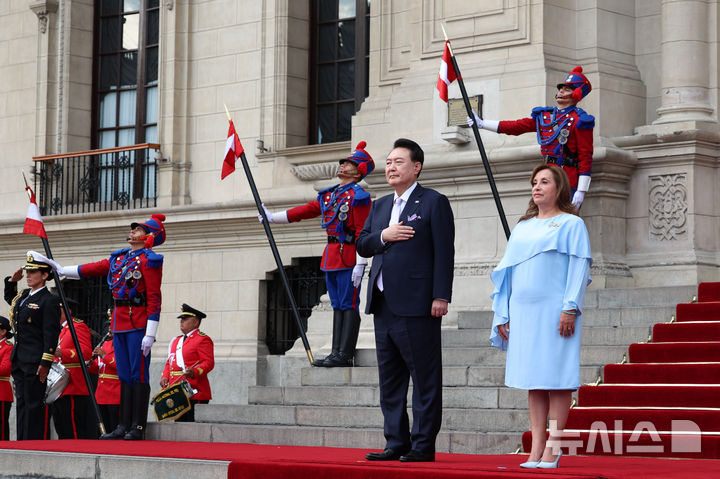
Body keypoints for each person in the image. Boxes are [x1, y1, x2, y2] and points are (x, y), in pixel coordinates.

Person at [357, 138, 455, 463]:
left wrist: (441, 295)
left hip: (418, 303)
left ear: (416, 167)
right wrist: (384, 236)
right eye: (388, 162)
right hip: (383, 304)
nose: (391, 167)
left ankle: (422, 444)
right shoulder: (381, 205)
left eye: (398, 162)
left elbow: (444, 252)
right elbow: (363, 244)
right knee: (390, 379)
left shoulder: (433, 202)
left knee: (424, 378)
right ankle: (395, 441)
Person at [489, 164, 592, 469]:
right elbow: (507, 272)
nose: (537, 187)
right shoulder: (523, 227)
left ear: (558, 187)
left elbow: (579, 267)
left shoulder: (572, 224)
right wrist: (503, 313)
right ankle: (535, 448)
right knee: (535, 381)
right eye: (534, 182)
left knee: (556, 379)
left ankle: (555, 448)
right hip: (524, 312)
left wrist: (570, 307)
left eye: (544, 182)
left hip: (555, 311)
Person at [260, 142, 374, 367]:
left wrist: (361, 264)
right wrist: (273, 217)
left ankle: (344, 353)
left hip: (349, 255)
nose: (343, 165)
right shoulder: (331, 196)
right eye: (344, 162)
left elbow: (363, 232)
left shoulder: (359, 197)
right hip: (332, 255)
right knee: (337, 304)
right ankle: (335, 352)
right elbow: (306, 210)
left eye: (349, 163)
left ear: (358, 170)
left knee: (348, 304)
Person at [55, 214, 165, 440]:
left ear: (149, 236)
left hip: (138, 323)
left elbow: (154, 297)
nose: (133, 231)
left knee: (138, 374)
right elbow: (95, 267)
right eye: (133, 229)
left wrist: (151, 333)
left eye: (138, 230)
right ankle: (122, 425)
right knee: (124, 374)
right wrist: (63, 270)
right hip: (120, 322)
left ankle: (138, 426)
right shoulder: (119, 259)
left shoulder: (149, 260)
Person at [468, 66, 594, 210]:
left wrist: (581, 190)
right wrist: (483, 124)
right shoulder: (545, 116)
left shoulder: (580, 120)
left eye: (567, 89)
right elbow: (518, 126)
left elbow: (586, 156)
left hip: (566, 180)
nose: (561, 91)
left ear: (576, 94)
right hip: (545, 176)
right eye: (561, 88)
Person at [4, 252, 61, 440]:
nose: (28, 275)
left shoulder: (49, 300)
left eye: (33, 272)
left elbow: (50, 333)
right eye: (27, 271)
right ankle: (21, 442)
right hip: (19, 359)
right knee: (22, 403)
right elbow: (12, 302)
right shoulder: (25, 296)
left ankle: (32, 443)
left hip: (35, 360)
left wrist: (45, 361)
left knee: (33, 404)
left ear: (44, 275)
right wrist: (12, 282)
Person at [160, 304, 214, 422]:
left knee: (190, 428)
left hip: (194, 390)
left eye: (185, 319)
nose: (181, 322)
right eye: (181, 319)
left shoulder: (202, 339)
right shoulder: (176, 341)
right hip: (176, 390)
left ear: (195, 322)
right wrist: (165, 376)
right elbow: (170, 362)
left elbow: (208, 362)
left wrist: (194, 371)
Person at [51, 299, 95, 439]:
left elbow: (86, 352)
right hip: (58, 384)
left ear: (68, 311)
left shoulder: (77, 326)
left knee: (72, 428)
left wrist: (62, 353)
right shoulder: (59, 329)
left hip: (73, 383)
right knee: (61, 425)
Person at [86, 328, 120, 433]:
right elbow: (100, 366)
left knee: (113, 425)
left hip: (114, 391)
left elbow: (118, 365)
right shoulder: (105, 344)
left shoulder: (121, 345)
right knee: (102, 427)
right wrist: (91, 364)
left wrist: (104, 355)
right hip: (101, 393)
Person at [0, 316, 14, 440]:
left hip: (1, 392)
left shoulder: (8, 347)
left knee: (1, 428)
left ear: (3, 331)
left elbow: (5, 369)